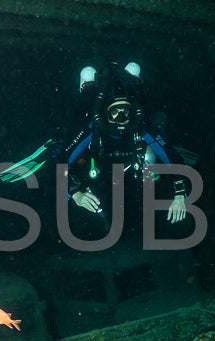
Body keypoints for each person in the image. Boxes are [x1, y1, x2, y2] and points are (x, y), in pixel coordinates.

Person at [60, 61, 192, 240]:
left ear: (133, 111)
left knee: (150, 158)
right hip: (100, 172)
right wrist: (76, 194)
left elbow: (172, 157)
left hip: (132, 171)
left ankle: (131, 77)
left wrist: (180, 195)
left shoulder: (141, 129)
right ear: (105, 113)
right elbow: (61, 162)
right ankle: (89, 84)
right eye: (115, 111)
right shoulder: (93, 129)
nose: (121, 117)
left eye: (125, 111)